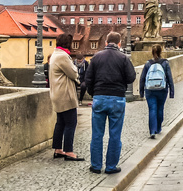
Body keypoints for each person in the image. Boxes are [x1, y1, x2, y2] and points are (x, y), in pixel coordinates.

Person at [84, 31, 136, 174]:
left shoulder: (96, 57)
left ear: (106, 43)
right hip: (117, 99)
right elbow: (131, 77)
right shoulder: (123, 58)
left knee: (97, 134)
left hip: (99, 97)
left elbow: (88, 80)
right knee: (115, 135)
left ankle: (96, 166)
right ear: (119, 44)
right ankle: (111, 166)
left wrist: (94, 93)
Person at [49, 33, 85, 162]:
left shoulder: (55, 54)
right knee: (71, 122)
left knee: (61, 122)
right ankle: (69, 151)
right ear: (67, 44)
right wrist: (76, 72)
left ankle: (58, 149)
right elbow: (74, 73)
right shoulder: (63, 56)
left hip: (57, 93)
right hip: (65, 94)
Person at [139, 44, 174, 140]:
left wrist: (141, 92)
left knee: (152, 109)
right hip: (162, 89)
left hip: (150, 90)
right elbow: (169, 77)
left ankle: (152, 131)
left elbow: (142, 78)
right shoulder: (165, 63)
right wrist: (172, 92)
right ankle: (158, 128)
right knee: (160, 108)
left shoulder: (148, 63)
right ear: (161, 51)